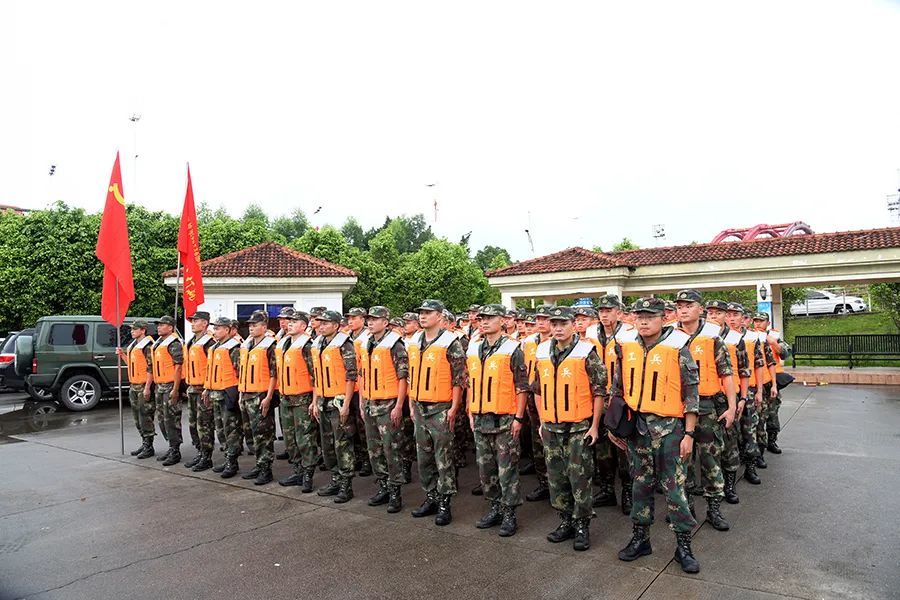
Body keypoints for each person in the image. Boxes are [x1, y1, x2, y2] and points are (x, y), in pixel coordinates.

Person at [611, 297, 700, 574]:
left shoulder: (678, 346)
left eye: (650, 316)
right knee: (640, 486)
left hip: (670, 431)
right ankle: (641, 539)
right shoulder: (626, 348)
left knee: (675, 489)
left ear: (664, 317)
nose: (644, 321)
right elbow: (618, 388)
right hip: (637, 430)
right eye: (639, 316)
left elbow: (691, 394)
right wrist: (613, 426)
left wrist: (689, 433)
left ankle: (683, 545)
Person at [532, 306, 606, 551]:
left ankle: (582, 524)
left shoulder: (586, 352)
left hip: (578, 426)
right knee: (556, 478)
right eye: (554, 324)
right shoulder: (542, 351)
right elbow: (538, 390)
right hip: (552, 426)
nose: (558, 328)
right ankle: (565, 521)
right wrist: (543, 421)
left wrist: (594, 426)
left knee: (580, 477)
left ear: (574, 325)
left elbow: (599, 391)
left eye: (563, 324)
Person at [466, 304, 530, 536]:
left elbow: (522, 387)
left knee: (507, 469)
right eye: (482, 318)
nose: (484, 322)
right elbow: (471, 383)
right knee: (486, 468)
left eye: (490, 318)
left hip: (505, 419)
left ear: (502, 321)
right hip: (481, 417)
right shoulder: (473, 349)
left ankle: (510, 513)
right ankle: (495, 507)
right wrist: (471, 411)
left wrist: (519, 418)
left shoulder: (513, 348)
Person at [676, 291, 734, 532]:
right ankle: (686, 508)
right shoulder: (669, 336)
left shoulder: (713, 337)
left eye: (689, 305)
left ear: (700, 309)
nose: (683, 310)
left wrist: (731, 407)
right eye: (679, 306)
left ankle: (714, 509)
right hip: (677, 408)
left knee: (710, 459)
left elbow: (727, 373)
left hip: (707, 406)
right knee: (682, 461)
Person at [407, 299, 468, 526]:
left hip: (440, 408)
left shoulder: (451, 342)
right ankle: (430, 496)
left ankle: (445, 503)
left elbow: (459, 378)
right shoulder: (415, 341)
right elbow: (413, 375)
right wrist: (412, 404)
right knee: (424, 457)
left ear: (440, 316)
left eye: (428, 313)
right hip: (420, 407)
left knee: (443, 458)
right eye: (421, 312)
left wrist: (454, 407)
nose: (423, 316)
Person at [358, 306, 409, 513]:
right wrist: (363, 402)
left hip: (388, 404)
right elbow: (362, 374)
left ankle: (395, 491)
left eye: (375, 319)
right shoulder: (367, 343)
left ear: (385, 322)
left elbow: (403, 377)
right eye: (369, 319)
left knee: (391, 449)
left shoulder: (394, 345)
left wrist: (398, 405)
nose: (370, 322)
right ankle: (383, 486)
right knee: (374, 450)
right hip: (370, 402)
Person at [591, 294, 634, 515]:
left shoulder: (629, 334)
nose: (605, 314)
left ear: (619, 312)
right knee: (601, 447)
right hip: (596, 397)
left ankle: (628, 490)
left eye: (609, 310)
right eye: (602, 311)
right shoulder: (589, 334)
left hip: (619, 399)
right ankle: (607, 489)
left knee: (622, 447)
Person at [311, 310, 359, 503]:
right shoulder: (319, 344)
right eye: (320, 323)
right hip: (323, 400)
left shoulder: (344, 344)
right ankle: (335, 479)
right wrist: (315, 401)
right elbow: (316, 375)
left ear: (336, 325)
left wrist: (346, 404)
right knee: (328, 444)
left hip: (338, 400)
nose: (321, 326)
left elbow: (351, 375)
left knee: (342, 444)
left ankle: (346, 485)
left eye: (326, 323)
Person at [275, 311, 319, 492]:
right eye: (289, 321)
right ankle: (298, 470)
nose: (290, 324)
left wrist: (314, 401)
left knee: (305, 438)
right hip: (285, 397)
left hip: (302, 398)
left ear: (303, 326)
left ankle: (308, 474)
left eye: (295, 321)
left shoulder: (307, 346)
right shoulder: (284, 344)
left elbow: (316, 376)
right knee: (290, 438)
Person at [237, 310, 278, 485]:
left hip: (260, 395)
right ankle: (258, 464)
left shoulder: (270, 346)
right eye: (250, 325)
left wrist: (268, 397)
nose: (251, 328)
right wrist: (240, 394)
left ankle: (266, 468)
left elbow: (274, 374)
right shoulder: (247, 344)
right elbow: (242, 372)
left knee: (263, 434)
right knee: (251, 434)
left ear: (264, 326)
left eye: (255, 325)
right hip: (246, 394)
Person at [520, 304, 553, 502]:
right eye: (538, 319)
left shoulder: (558, 342)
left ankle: (559, 485)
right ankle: (543, 482)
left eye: (544, 319)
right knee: (536, 438)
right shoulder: (530, 342)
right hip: (534, 395)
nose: (540, 322)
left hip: (553, 397)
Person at [205, 318, 243, 478]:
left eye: (219, 328)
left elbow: (240, 372)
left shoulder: (233, 348)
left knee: (231, 430)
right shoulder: (214, 347)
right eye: (215, 328)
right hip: (215, 393)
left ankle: (232, 462)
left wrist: (238, 394)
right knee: (220, 430)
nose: (215, 331)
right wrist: (207, 388)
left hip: (228, 393)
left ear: (227, 330)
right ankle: (228, 458)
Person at [753, 312, 791, 455]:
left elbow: (785, 354)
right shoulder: (751, 336)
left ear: (767, 323)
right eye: (755, 321)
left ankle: (772, 440)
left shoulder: (774, 337)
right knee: (759, 415)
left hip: (772, 380)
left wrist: (773, 342)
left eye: (761, 321)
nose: (757, 324)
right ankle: (759, 444)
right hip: (758, 381)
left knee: (773, 413)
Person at [183, 311, 216, 471]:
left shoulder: (209, 342)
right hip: (192, 388)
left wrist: (208, 388)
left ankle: (207, 456)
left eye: (196, 321)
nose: (193, 323)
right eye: (192, 321)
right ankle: (200, 452)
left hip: (203, 389)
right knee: (193, 424)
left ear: (205, 323)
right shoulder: (191, 342)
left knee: (204, 424)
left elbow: (213, 367)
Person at [119, 321, 155, 459]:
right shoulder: (134, 345)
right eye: (132, 329)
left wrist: (147, 387)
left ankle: (149, 445)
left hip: (143, 384)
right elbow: (132, 364)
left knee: (145, 416)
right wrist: (122, 356)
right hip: (133, 384)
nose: (132, 331)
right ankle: (144, 442)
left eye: (135, 329)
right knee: (137, 417)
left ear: (143, 330)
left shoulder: (147, 346)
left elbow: (150, 368)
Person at [152, 315, 184, 467]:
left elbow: (178, 366)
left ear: (170, 327)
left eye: (162, 325)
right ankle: (171, 446)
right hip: (160, 385)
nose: (159, 327)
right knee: (162, 419)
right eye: (158, 325)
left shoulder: (174, 343)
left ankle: (175, 450)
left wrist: (176, 389)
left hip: (170, 385)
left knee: (171, 419)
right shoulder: (159, 343)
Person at [346, 307, 373, 477]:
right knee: (351, 426)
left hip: (361, 386)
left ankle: (367, 460)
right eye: (349, 318)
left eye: (354, 318)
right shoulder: (347, 337)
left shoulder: (366, 337)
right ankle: (356, 456)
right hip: (349, 386)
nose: (350, 321)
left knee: (363, 426)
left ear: (362, 320)